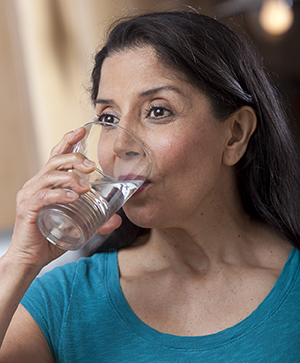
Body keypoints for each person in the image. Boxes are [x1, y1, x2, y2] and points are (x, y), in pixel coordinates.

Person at [0, 10, 300, 362]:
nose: (118, 146)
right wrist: (17, 264)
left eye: (157, 111)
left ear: (234, 135)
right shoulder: (62, 302)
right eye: (109, 118)